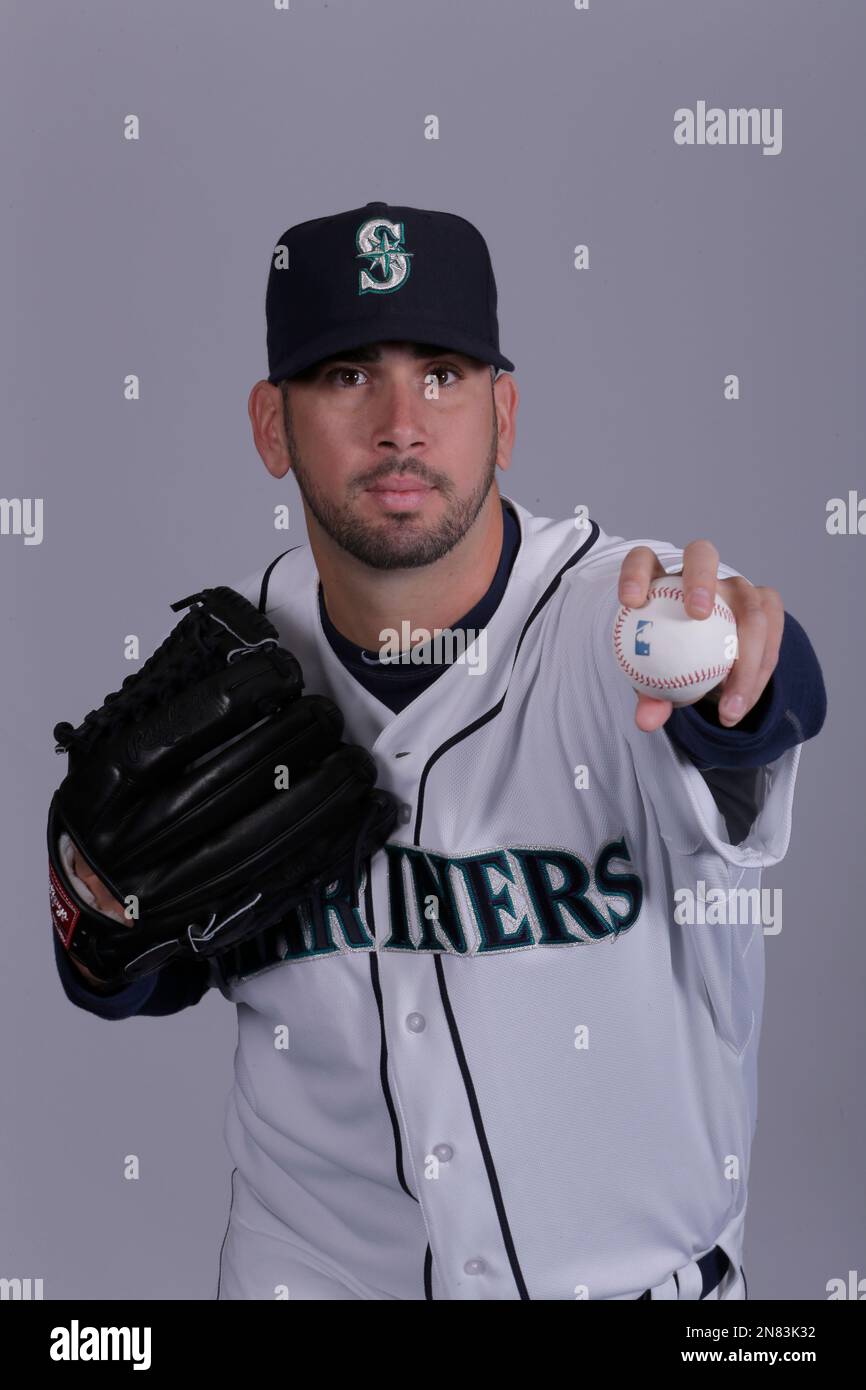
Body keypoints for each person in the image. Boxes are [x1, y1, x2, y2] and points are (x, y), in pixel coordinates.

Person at [54, 201, 827, 1300]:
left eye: (445, 375)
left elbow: (765, 686)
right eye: (345, 374)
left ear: (503, 415)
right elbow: (130, 975)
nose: (400, 423)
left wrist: (743, 667)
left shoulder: (624, 617)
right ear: (271, 426)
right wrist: (94, 934)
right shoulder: (228, 677)